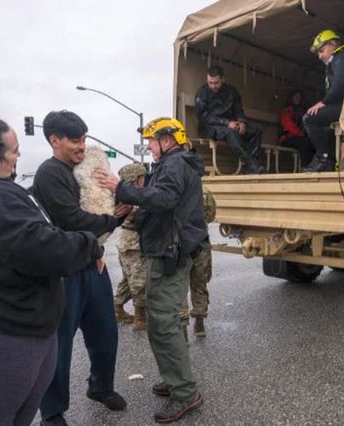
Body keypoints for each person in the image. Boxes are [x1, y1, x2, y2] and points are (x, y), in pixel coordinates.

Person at [0, 103, 105, 426]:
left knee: (20, 414)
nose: (18, 157)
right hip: (3, 328)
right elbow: (39, 248)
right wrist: (89, 244)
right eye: (13, 152)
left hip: (18, 321)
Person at [94, 117, 207, 423]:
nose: (148, 146)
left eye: (152, 140)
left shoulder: (174, 165)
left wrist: (122, 188)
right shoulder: (173, 163)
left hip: (170, 252)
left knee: (163, 322)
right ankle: (175, 378)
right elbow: (164, 206)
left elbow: (165, 199)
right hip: (167, 249)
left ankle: (184, 392)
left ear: (167, 139)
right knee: (163, 320)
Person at [32, 110, 129, 426]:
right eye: (75, 139)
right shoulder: (50, 173)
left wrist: (119, 210)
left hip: (94, 265)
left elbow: (97, 210)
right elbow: (71, 220)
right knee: (60, 343)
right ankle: (53, 410)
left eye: (85, 138)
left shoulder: (84, 169)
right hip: (65, 271)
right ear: (54, 139)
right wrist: (113, 219)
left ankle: (101, 388)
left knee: (105, 334)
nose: (82, 146)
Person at [195, 65, 265, 174]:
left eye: (216, 82)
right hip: (210, 128)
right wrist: (226, 123)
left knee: (256, 131)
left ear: (223, 79)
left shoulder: (232, 91)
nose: (213, 86)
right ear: (207, 80)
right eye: (210, 83)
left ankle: (252, 165)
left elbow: (238, 110)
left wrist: (242, 122)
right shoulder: (202, 93)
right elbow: (204, 117)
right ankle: (251, 164)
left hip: (231, 125)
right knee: (231, 132)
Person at [302, 29, 344, 172]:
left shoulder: (341, 56)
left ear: (333, 44)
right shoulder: (337, 60)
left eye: (322, 51)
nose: (320, 56)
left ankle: (325, 158)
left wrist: (324, 102)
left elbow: (341, 84)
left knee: (310, 118)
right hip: (343, 105)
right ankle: (327, 159)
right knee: (324, 124)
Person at [113, 162, 149, 331]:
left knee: (129, 279)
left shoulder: (122, 194)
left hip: (126, 241)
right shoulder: (130, 197)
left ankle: (117, 308)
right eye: (143, 177)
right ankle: (140, 318)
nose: (144, 180)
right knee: (139, 281)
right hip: (133, 243)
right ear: (137, 179)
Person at [180, 187, 215, 338]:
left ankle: (182, 329)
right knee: (200, 283)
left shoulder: (172, 187)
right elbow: (211, 215)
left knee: (178, 285)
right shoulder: (204, 191)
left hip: (179, 244)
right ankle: (199, 322)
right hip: (200, 242)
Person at [279, 90, 315, 167]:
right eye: (295, 96)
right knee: (305, 143)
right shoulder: (287, 110)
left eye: (299, 97)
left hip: (299, 137)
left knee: (313, 143)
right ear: (291, 98)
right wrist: (301, 134)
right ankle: (304, 167)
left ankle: (313, 166)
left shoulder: (303, 111)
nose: (297, 98)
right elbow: (289, 126)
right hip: (287, 138)